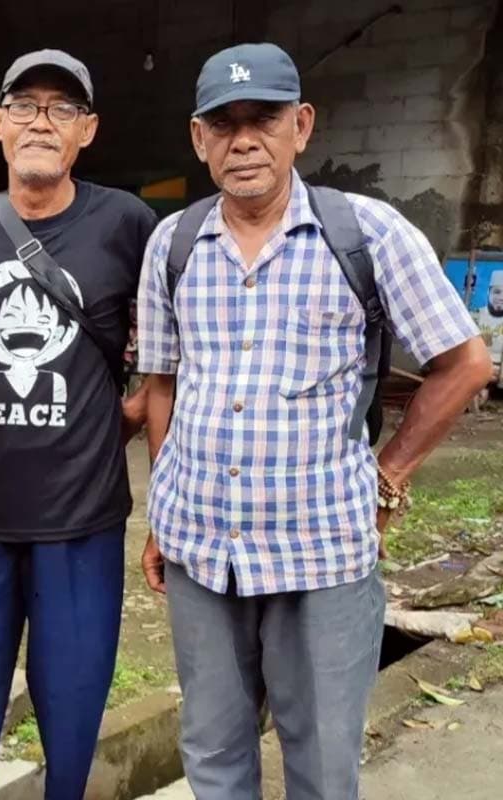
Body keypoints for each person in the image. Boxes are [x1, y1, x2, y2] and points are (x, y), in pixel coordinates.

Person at [137, 43, 492, 800]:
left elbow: (465, 364)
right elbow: (161, 382)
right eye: (222, 124)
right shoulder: (172, 246)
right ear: (199, 139)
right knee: (212, 749)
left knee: (324, 763)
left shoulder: (366, 233)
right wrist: (162, 511)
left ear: (301, 126)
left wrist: (389, 472)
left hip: (321, 554)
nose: (243, 141)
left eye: (262, 119)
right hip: (202, 551)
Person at [0, 50, 157, 800]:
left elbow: (162, 354)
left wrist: (130, 415)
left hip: (81, 527)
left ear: (88, 130)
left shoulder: (127, 222)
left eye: (62, 109)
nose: (40, 122)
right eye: (24, 105)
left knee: (73, 717)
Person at [474, 269, 503, 388]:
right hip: (478, 366)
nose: (501, 297)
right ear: (488, 293)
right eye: (497, 292)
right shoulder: (476, 315)